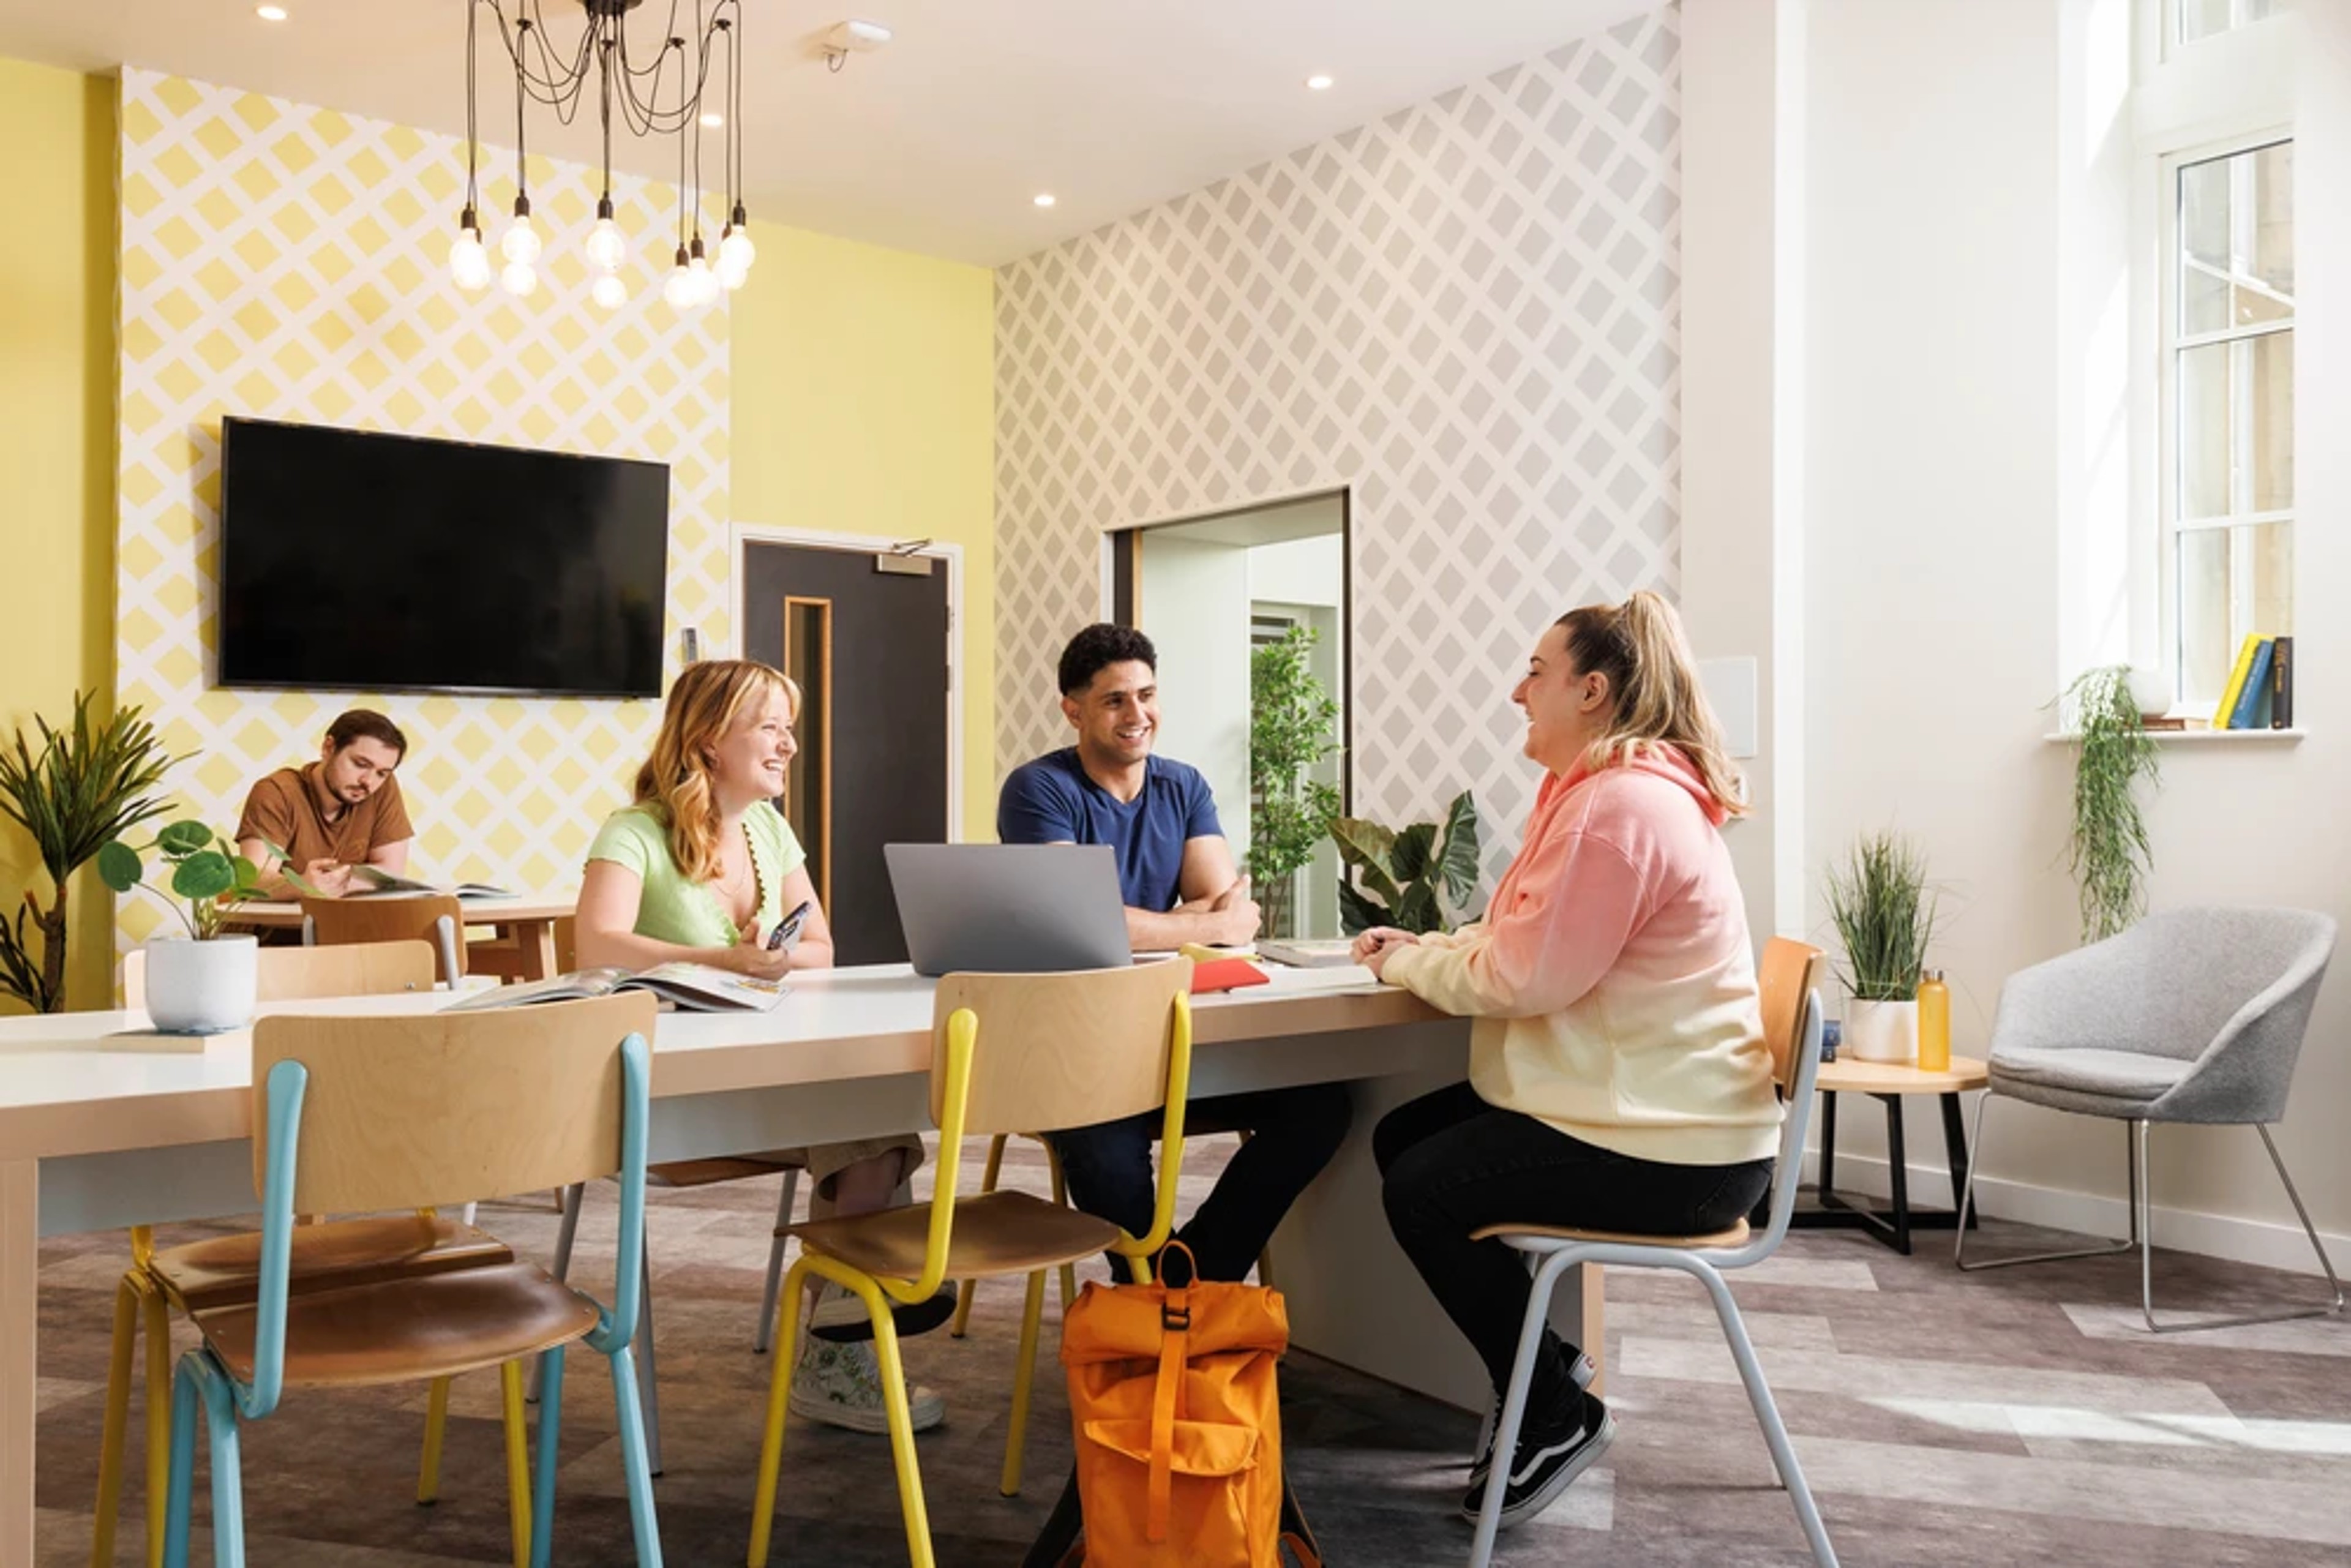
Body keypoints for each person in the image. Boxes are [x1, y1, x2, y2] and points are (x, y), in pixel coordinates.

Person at [1361, 591, 1780, 1532]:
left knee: (1422, 1189)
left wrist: (1404, 962)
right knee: (1406, 1135)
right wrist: (1430, 947)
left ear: (1591, 691)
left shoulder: (1616, 809)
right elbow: (1526, 940)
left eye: (1536, 673)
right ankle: (1547, 1369)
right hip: (1673, 1125)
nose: (1520, 692)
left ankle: (1554, 1410)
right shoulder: (1615, 794)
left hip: (1681, 1157)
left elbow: (1523, 978)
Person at [574, 658, 950, 1435]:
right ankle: (855, 1318)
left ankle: (842, 1331)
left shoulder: (769, 829)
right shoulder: (633, 830)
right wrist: (726, 959)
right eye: (771, 727)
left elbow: (821, 948)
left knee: (874, 1116)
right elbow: (596, 946)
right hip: (674, 1095)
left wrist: (773, 958)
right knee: (864, 1126)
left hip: (768, 1072)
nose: (789, 745)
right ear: (710, 740)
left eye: (789, 728)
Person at [998, 623, 1351, 1285]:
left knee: (1321, 1104)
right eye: (1114, 700)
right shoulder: (1037, 789)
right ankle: (1158, 1289)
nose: (1137, 714)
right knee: (1104, 1147)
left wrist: (1149, 922)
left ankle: (1189, 1276)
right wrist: (1189, 922)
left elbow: (1230, 919)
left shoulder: (1183, 786)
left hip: (1181, 1036)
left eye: (1147, 694)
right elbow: (1079, 925)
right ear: (1073, 710)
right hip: (1082, 1046)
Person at [235, 709, 415, 899]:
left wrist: (330, 883)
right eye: (361, 764)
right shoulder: (276, 792)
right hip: (282, 918)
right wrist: (302, 886)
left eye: (382, 773)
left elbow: (391, 873)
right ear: (329, 748)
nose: (368, 782)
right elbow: (252, 880)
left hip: (348, 917)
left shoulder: (382, 788)